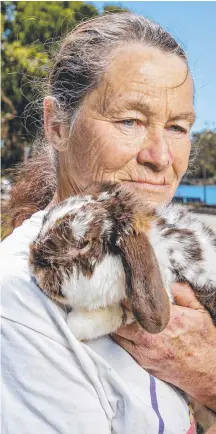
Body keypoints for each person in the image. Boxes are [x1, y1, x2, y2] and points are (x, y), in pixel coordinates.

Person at [1, 12, 216, 434]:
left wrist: (207, 374)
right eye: (129, 121)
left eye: (176, 127)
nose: (160, 157)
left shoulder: (186, 257)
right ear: (57, 125)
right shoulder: (19, 304)